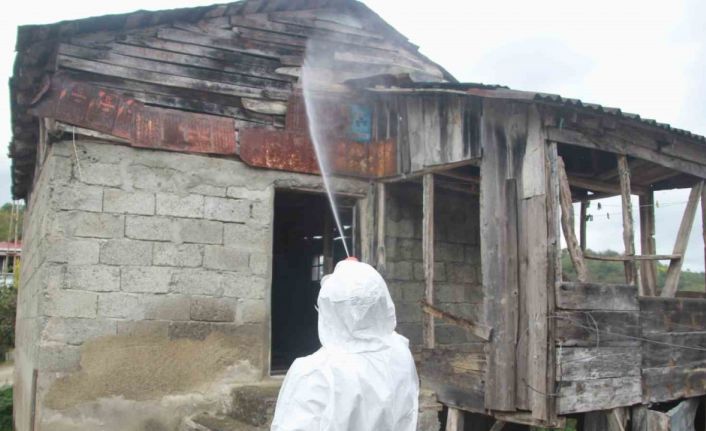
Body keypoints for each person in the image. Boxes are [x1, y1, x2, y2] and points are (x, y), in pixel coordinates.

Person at [271, 258, 419, 431]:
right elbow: (364, 298)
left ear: (327, 307)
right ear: (383, 301)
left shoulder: (315, 373)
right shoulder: (401, 354)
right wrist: (356, 275)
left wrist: (343, 277)